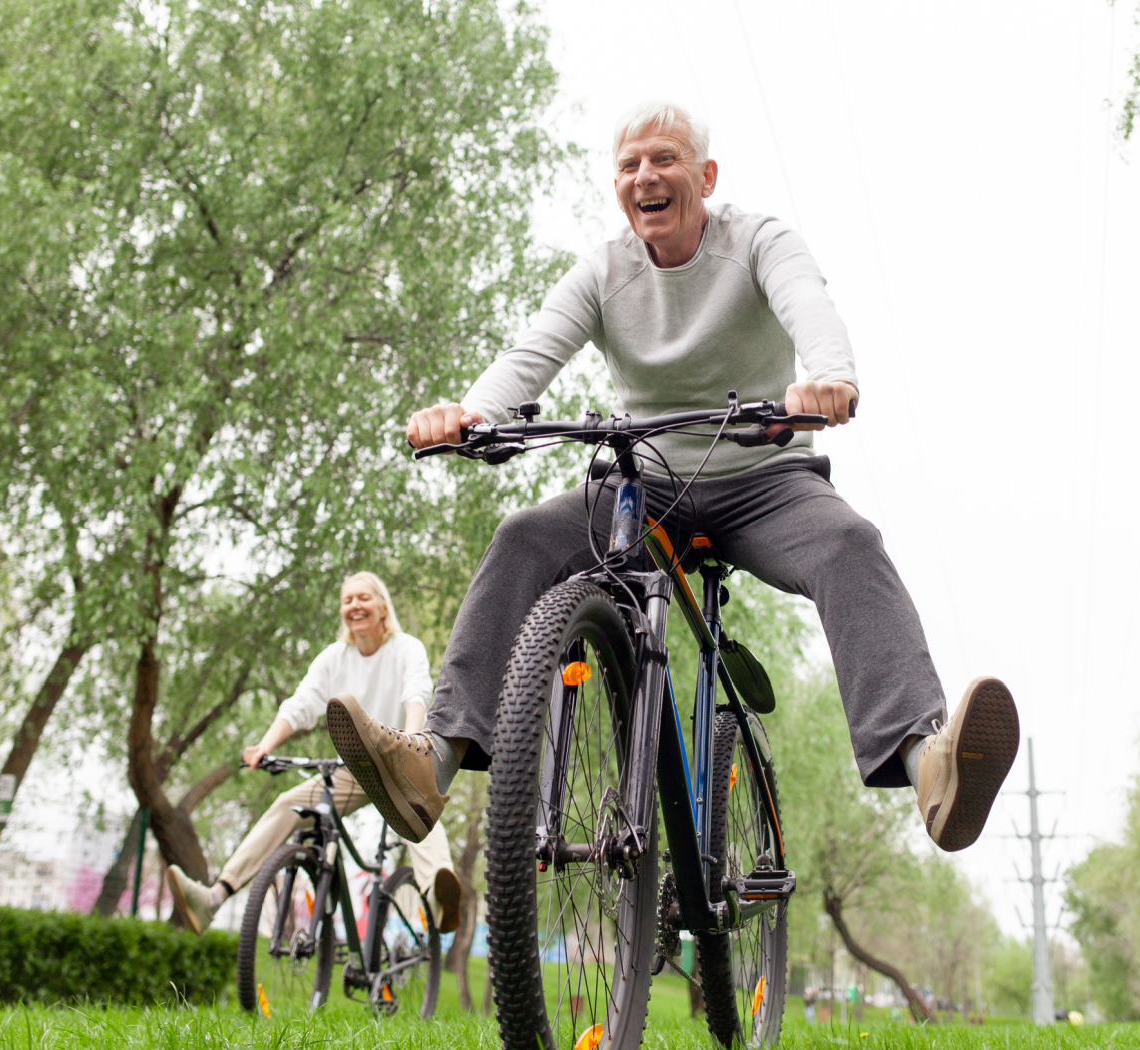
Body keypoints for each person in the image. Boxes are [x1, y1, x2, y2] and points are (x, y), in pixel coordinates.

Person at [326, 101, 1019, 857]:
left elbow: (810, 308)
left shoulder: (757, 242)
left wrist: (830, 380)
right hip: (643, 484)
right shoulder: (604, 272)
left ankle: (931, 765)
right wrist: (470, 414)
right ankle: (435, 760)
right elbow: (531, 356)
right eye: (629, 166)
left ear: (705, 176)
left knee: (851, 543)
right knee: (524, 537)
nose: (645, 177)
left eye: (664, 160)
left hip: (765, 479)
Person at [166, 571, 461, 934]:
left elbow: (416, 695)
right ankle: (212, 898)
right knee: (288, 804)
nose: (354, 605)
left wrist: (414, 745)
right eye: (347, 600)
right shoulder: (335, 657)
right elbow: (301, 704)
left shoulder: (406, 648)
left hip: (400, 761)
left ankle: (437, 897)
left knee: (420, 812)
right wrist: (265, 745)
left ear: (383, 607)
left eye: (363, 598)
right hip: (354, 769)